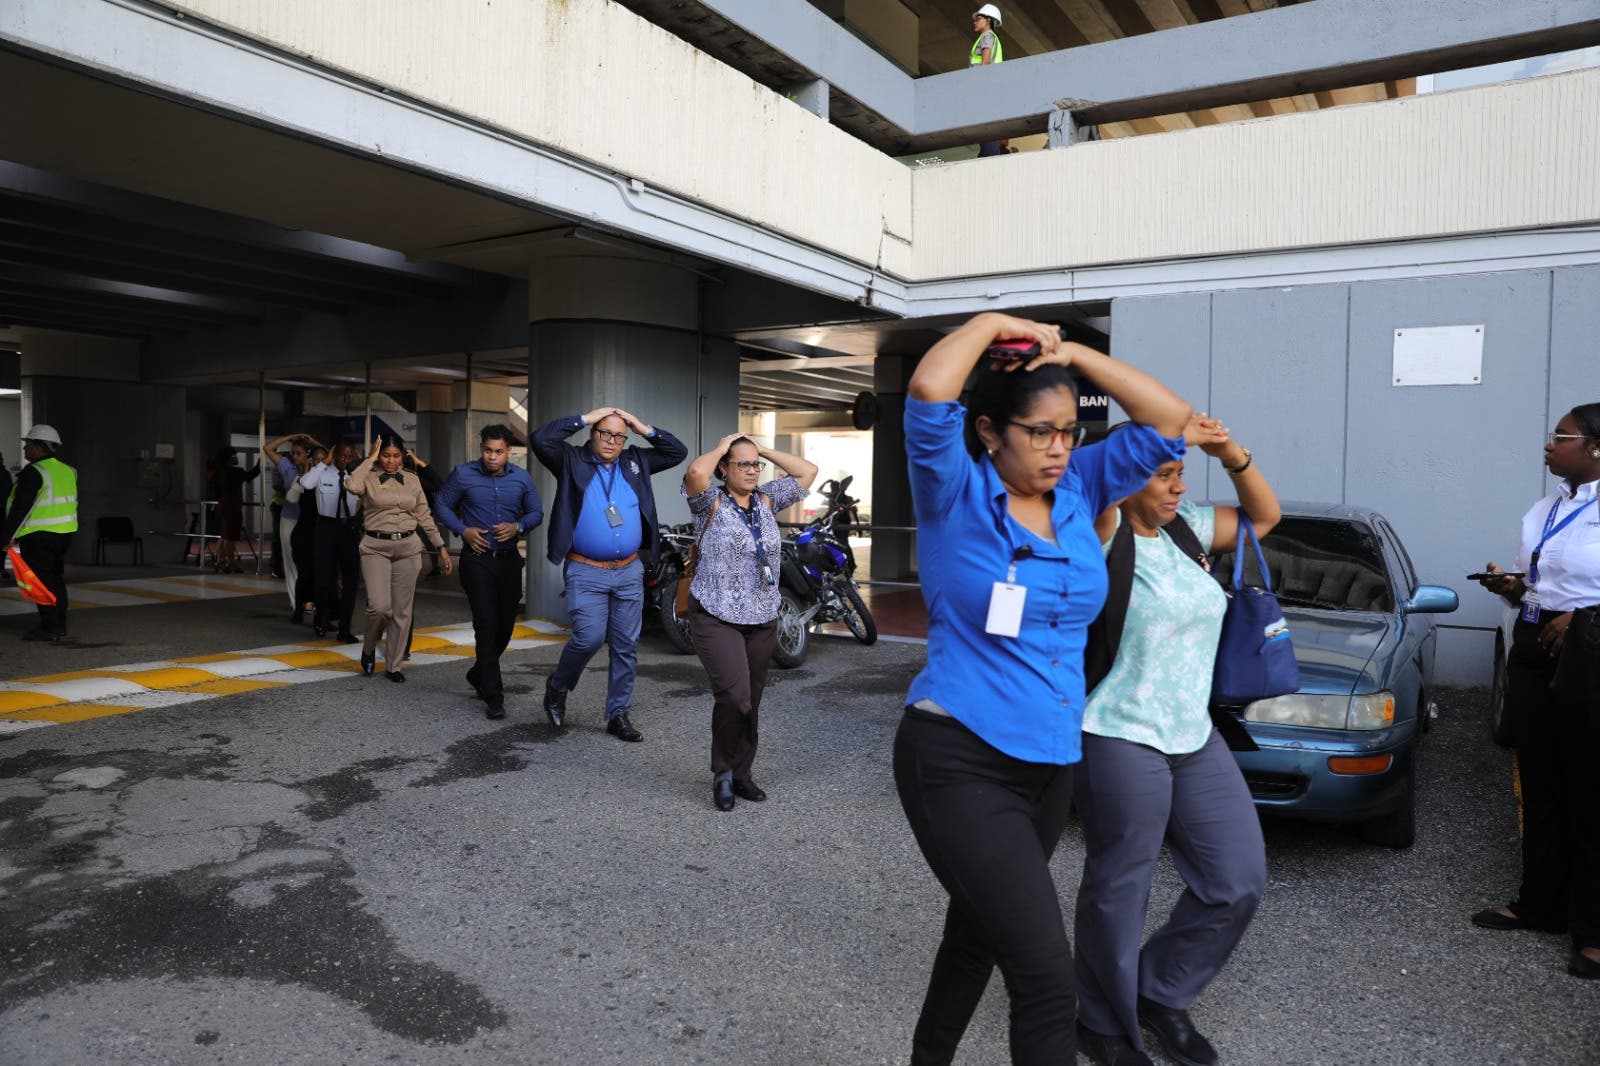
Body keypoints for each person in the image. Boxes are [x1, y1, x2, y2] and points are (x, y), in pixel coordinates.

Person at [893, 312, 1190, 1066]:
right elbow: (931, 386)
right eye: (1039, 433)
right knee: (1045, 978)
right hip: (958, 753)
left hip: (1051, 763)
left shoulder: (1081, 485)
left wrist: (1076, 352)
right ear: (991, 432)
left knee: (977, 936)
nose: (1059, 449)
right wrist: (993, 320)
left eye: (1069, 432)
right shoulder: (950, 489)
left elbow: (1169, 419)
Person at [1072, 412, 1280, 1066]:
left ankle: (1159, 990)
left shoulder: (1188, 533)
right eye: (1163, 475)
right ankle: (1100, 1021)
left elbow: (1265, 517)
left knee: (1237, 876)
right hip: (1118, 732)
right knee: (1120, 887)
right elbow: (1097, 484)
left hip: (1193, 734)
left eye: (1182, 476)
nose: (1177, 489)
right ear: (1125, 481)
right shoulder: (1102, 533)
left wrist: (1228, 449)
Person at [1471, 403, 1600, 981]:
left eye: (1561, 437)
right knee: (1540, 782)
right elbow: (1541, 583)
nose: (1549, 445)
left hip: (1589, 657)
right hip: (1534, 646)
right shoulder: (1548, 506)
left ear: (1596, 447)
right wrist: (1511, 587)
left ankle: (1593, 931)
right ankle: (1540, 904)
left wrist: (1586, 618)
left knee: (1590, 792)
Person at [533, 406, 688, 741]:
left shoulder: (637, 462)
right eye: (604, 432)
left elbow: (678, 452)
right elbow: (540, 439)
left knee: (625, 646)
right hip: (586, 570)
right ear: (592, 433)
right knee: (588, 637)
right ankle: (558, 686)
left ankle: (618, 714)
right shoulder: (570, 460)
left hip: (629, 570)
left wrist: (641, 426)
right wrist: (587, 417)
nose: (611, 441)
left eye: (619, 435)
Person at [681, 433, 817, 810]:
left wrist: (762, 449)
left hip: (762, 615)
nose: (753, 470)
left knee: (751, 701)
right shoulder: (710, 501)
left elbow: (808, 472)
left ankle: (743, 774)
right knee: (735, 697)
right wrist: (723, 446)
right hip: (715, 613)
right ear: (724, 468)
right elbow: (695, 470)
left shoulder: (767, 500)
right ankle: (723, 773)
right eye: (743, 464)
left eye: (756, 464)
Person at [436, 424, 543, 720]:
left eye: (498, 452)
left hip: (508, 561)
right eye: (487, 451)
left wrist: (518, 526)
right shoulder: (463, 475)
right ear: (481, 448)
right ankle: (494, 695)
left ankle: (477, 672)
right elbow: (442, 504)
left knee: (505, 627)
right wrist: (462, 530)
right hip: (477, 560)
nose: (492, 457)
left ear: (508, 452)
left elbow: (536, 513)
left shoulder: (521, 479)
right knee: (486, 623)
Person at [345, 433, 452, 682]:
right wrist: (370, 459)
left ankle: (393, 666)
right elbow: (351, 486)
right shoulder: (367, 477)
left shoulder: (412, 480)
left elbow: (424, 514)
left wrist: (440, 545)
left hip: (408, 548)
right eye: (385, 455)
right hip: (375, 547)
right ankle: (369, 647)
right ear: (379, 455)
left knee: (402, 612)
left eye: (395, 456)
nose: (391, 461)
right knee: (380, 607)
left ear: (402, 457)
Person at [1, 425, 79, 642]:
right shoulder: (69, 470)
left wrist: (7, 536)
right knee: (54, 579)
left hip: (38, 536)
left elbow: (20, 508)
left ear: (38, 446)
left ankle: (50, 626)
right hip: (63, 534)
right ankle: (59, 622)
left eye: (28, 444)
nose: (25, 448)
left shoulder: (34, 472)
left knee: (41, 582)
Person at [299, 438, 363, 642]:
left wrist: (361, 464)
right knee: (325, 579)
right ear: (334, 455)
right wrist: (323, 462)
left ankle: (345, 628)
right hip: (326, 528)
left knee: (351, 580)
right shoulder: (322, 472)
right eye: (342, 455)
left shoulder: (357, 474)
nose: (345, 459)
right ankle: (321, 619)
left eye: (350, 455)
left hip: (350, 528)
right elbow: (306, 483)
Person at [263, 434, 318, 620]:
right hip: (289, 519)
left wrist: (314, 443)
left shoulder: (318, 469)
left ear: (308, 455)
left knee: (311, 562)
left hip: (310, 522)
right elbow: (268, 448)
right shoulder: (288, 467)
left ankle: (310, 599)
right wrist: (292, 437)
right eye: (293, 453)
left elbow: (329, 454)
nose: (295, 456)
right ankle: (297, 603)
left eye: (299, 453)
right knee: (291, 562)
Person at [210, 446, 260, 574]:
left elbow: (215, 491)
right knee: (230, 536)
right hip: (233, 505)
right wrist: (261, 461)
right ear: (227, 459)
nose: (236, 458)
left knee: (224, 535)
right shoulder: (235, 472)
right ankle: (232, 562)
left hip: (222, 505)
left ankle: (221, 561)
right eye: (233, 456)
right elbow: (252, 474)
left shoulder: (218, 472)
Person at [971, 5, 1010, 158]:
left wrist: (978, 85)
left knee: (986, 124)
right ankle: (987, 153)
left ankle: (988, 155)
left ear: (988, 21)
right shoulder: (989, 37)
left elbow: (985, 62)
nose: (975, 22)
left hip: (986, 88)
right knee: (987, 124)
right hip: (991, 88)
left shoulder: (988, 36)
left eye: (978, 19)